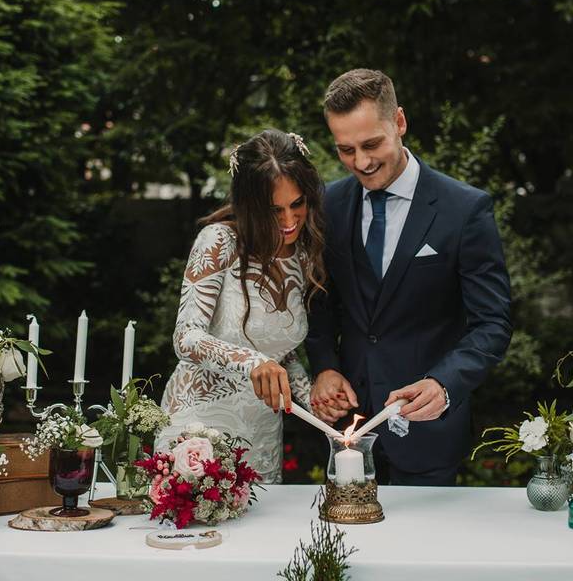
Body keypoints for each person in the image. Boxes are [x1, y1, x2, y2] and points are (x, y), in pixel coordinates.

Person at [305, 69, 512, 485]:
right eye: (345, 150)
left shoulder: (463, 209)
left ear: (398, 122)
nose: (361, 162)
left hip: (427, 434)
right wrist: (325, 365)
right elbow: (320, 301)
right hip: (346, 432)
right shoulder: (328, 204)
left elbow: (492, 322)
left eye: (371, 144)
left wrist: (444, 383)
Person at [156, 129, 326, 483]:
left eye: (297, 204)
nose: (290, 221)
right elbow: (186, 337)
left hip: (262, 435)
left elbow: (282, 353)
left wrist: (316, 403)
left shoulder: (306, 254)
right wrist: (253, 362)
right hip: (199, 428)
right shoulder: (219, 242)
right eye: (274, 210)